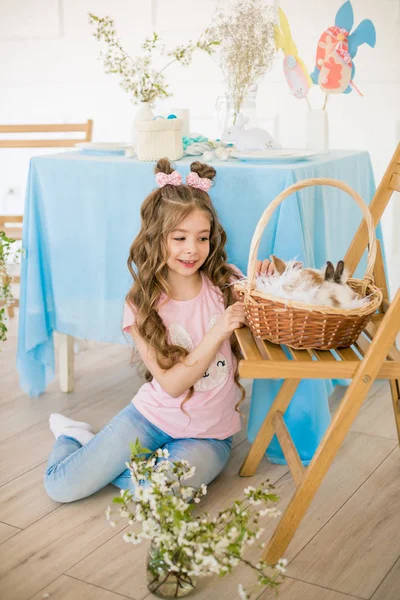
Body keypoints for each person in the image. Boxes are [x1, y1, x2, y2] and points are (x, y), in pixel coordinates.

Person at [44, 159, 273, 503]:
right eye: (179, 237)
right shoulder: (140, 305)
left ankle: (110, 460)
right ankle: (74, 439)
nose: (191, 249)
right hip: (151, 417)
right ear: (156, 238)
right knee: (61, 487)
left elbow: (269, 320)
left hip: (208, 437)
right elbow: (172, 384)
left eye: (202, 238)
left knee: (159, 496)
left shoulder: (224, 282)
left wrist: (269, 281)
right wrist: (218, 331)